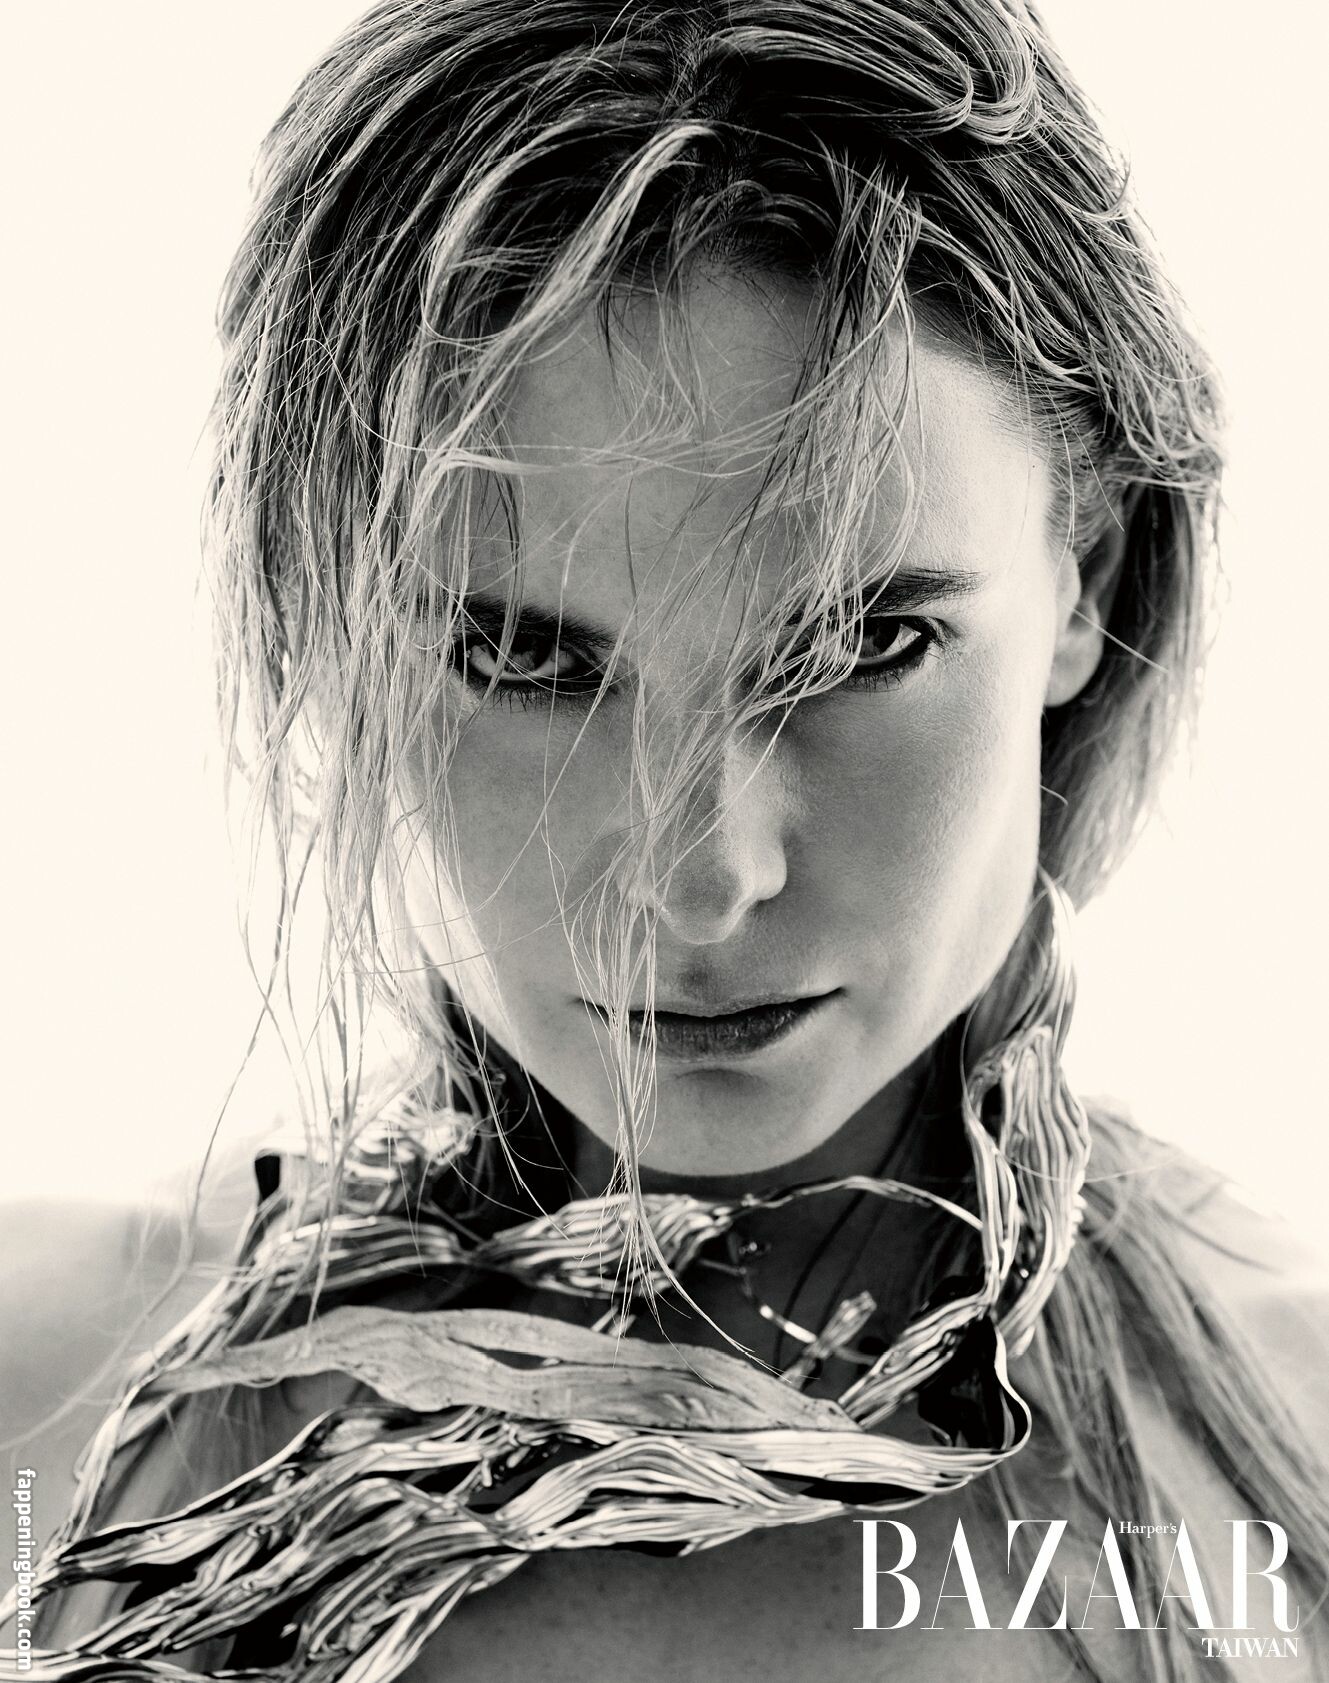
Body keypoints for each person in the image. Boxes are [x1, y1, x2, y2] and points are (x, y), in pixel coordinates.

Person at [5, 0, 1327, 1679]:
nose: (703, 884)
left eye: (859, 647)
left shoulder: (1293, 1467)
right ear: (326, 625)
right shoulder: (38, 1410)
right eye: (521, 657)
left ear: (1088, 580)